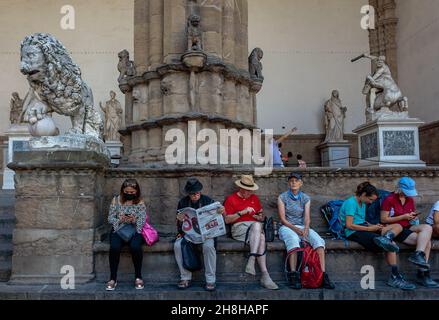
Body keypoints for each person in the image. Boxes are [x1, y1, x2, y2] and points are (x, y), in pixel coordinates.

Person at [339, 182, 416, 290]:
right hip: (353, 232)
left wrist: (374, 226)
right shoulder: (350, 203)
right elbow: (349, 225)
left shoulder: (363, 203)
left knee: (398, 226)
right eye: (370, 199)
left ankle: (387, 237)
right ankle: (394, 277)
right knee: (391, 246)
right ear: (363, 194)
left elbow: (361, 220)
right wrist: (370, 229)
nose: (371, 202)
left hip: (364, 227)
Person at [277, 173, 335, 289]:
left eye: (296, 181)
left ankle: (322, 275)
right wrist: (296, 229)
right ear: (288, 183)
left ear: (300, 183)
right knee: (293, 241)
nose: (293, 183)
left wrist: (306, 228)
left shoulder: (305, 198)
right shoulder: (282, 197)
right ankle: (294, 275)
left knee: (318, 241)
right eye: (291, 181)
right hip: (287, 227)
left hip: (303, 226)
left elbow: (307, 217)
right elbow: (283, 219)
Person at [381, 177, 439, 288]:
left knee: (427, 227)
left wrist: (412, 218)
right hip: (395, 229)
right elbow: (383, 219)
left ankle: (418, 255)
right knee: (427, 243)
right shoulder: (389, 199)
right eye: (407, 192)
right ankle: (423, 274)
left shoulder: (410, 200)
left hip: (407, 226)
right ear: (400, 189)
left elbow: (409, 219)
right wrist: (403, 216)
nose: (409, 194)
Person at [224, 175, 279, 290]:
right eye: (247, 190)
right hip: (239, 228)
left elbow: (261, 215)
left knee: (260, 233)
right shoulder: (231, 199)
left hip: (255, 229)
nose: (249, 193)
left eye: (251, 190)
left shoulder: (254, 198)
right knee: (259, 232)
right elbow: (227, 220)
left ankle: (262, 271)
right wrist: (243, 212)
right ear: (241, 188)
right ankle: (262, 272)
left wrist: (259, 217)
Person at [174, 178, 224, 291]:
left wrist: (221, 211)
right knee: (177, 245)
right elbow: (179, 224)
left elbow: (218, 218)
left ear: (200, 191)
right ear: (188, 193)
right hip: (189, 234)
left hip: (207, 234)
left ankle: (210, 280)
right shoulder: (183, 202)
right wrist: (179, 219)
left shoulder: (208, 200)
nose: (195, 196)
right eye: (192, 194)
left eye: (197, 193)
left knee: (209, 246)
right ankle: (185, 277)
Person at [106, 179, 147, 291]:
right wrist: (119, 219)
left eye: (132, 192)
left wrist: (134, 220)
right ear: (123, 191)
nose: (129, 194)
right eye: (127, 192)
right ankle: (113, 278)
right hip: (118, 229)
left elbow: (143, 219)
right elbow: (110, 218)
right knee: (114, 247)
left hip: (135, 230)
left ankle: (138, 277)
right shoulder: (116, 200)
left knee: (135, 247)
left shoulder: (140, 202)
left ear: (136, 191)